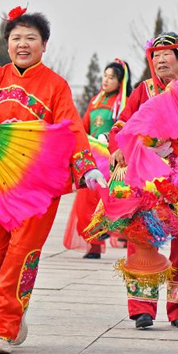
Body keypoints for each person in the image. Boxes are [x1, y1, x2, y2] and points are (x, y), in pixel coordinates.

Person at [0, 7, 106, 354]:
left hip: (38, 184)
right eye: (16, 38)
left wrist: (87, 166)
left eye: (31, 38)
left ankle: (1, 328)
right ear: (7, 44)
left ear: (44, 45)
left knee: (20, 255)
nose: (23, 44)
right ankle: (14, 305)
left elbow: (71, 128)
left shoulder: (55, 86)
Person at [108, 32, 178, 330]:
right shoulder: (144, 91)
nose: (161, 59)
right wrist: (118, 147)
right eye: (156, 55)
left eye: (168, 54)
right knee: (142, 237)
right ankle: (142, 307)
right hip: (148, 176)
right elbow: (123, 124)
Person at [63, 58, 131, 259]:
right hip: (93, 159)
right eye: (105, 75)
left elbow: (126, 128)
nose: (106, 80)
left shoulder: (124, 102)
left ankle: (125, 235)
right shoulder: (95, 100)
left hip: (112, 160)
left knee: (114, 199)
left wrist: (110, 138)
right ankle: (93, 245)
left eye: (112, 77)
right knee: (85, 201)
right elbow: (83, 126)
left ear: (120, 82)